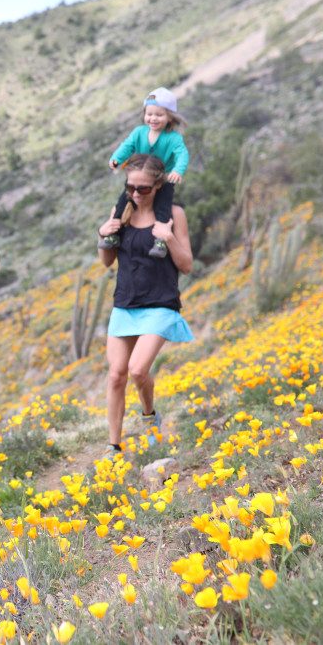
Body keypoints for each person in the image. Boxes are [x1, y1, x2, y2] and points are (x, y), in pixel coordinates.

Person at [97, 154, 194, 457]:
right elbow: (107, 262)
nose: (136, 194)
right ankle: (114, 445)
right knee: (116, 375)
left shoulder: (173, 215)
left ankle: (150, 416)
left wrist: (169, 238)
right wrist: (104, 235)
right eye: (131, 188)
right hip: (125, 303)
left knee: (138, 370)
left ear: (158, 185)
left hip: (160, 304)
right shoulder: (122, 210)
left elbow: (187, 265)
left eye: (143, 189)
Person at [100, 87, 189, 259]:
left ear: (170, 117)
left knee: (163, 206)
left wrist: (178, 170)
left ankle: (160, 241)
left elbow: (182, 154)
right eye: (149, 114)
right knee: (123, 201)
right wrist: (116, 159)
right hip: (139, 176)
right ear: (144, 114)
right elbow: (127, 146)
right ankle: (113, 234)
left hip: (163, 178)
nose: (153, 118)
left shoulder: (174, 138)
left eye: (159, 115)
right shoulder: (139, 132)